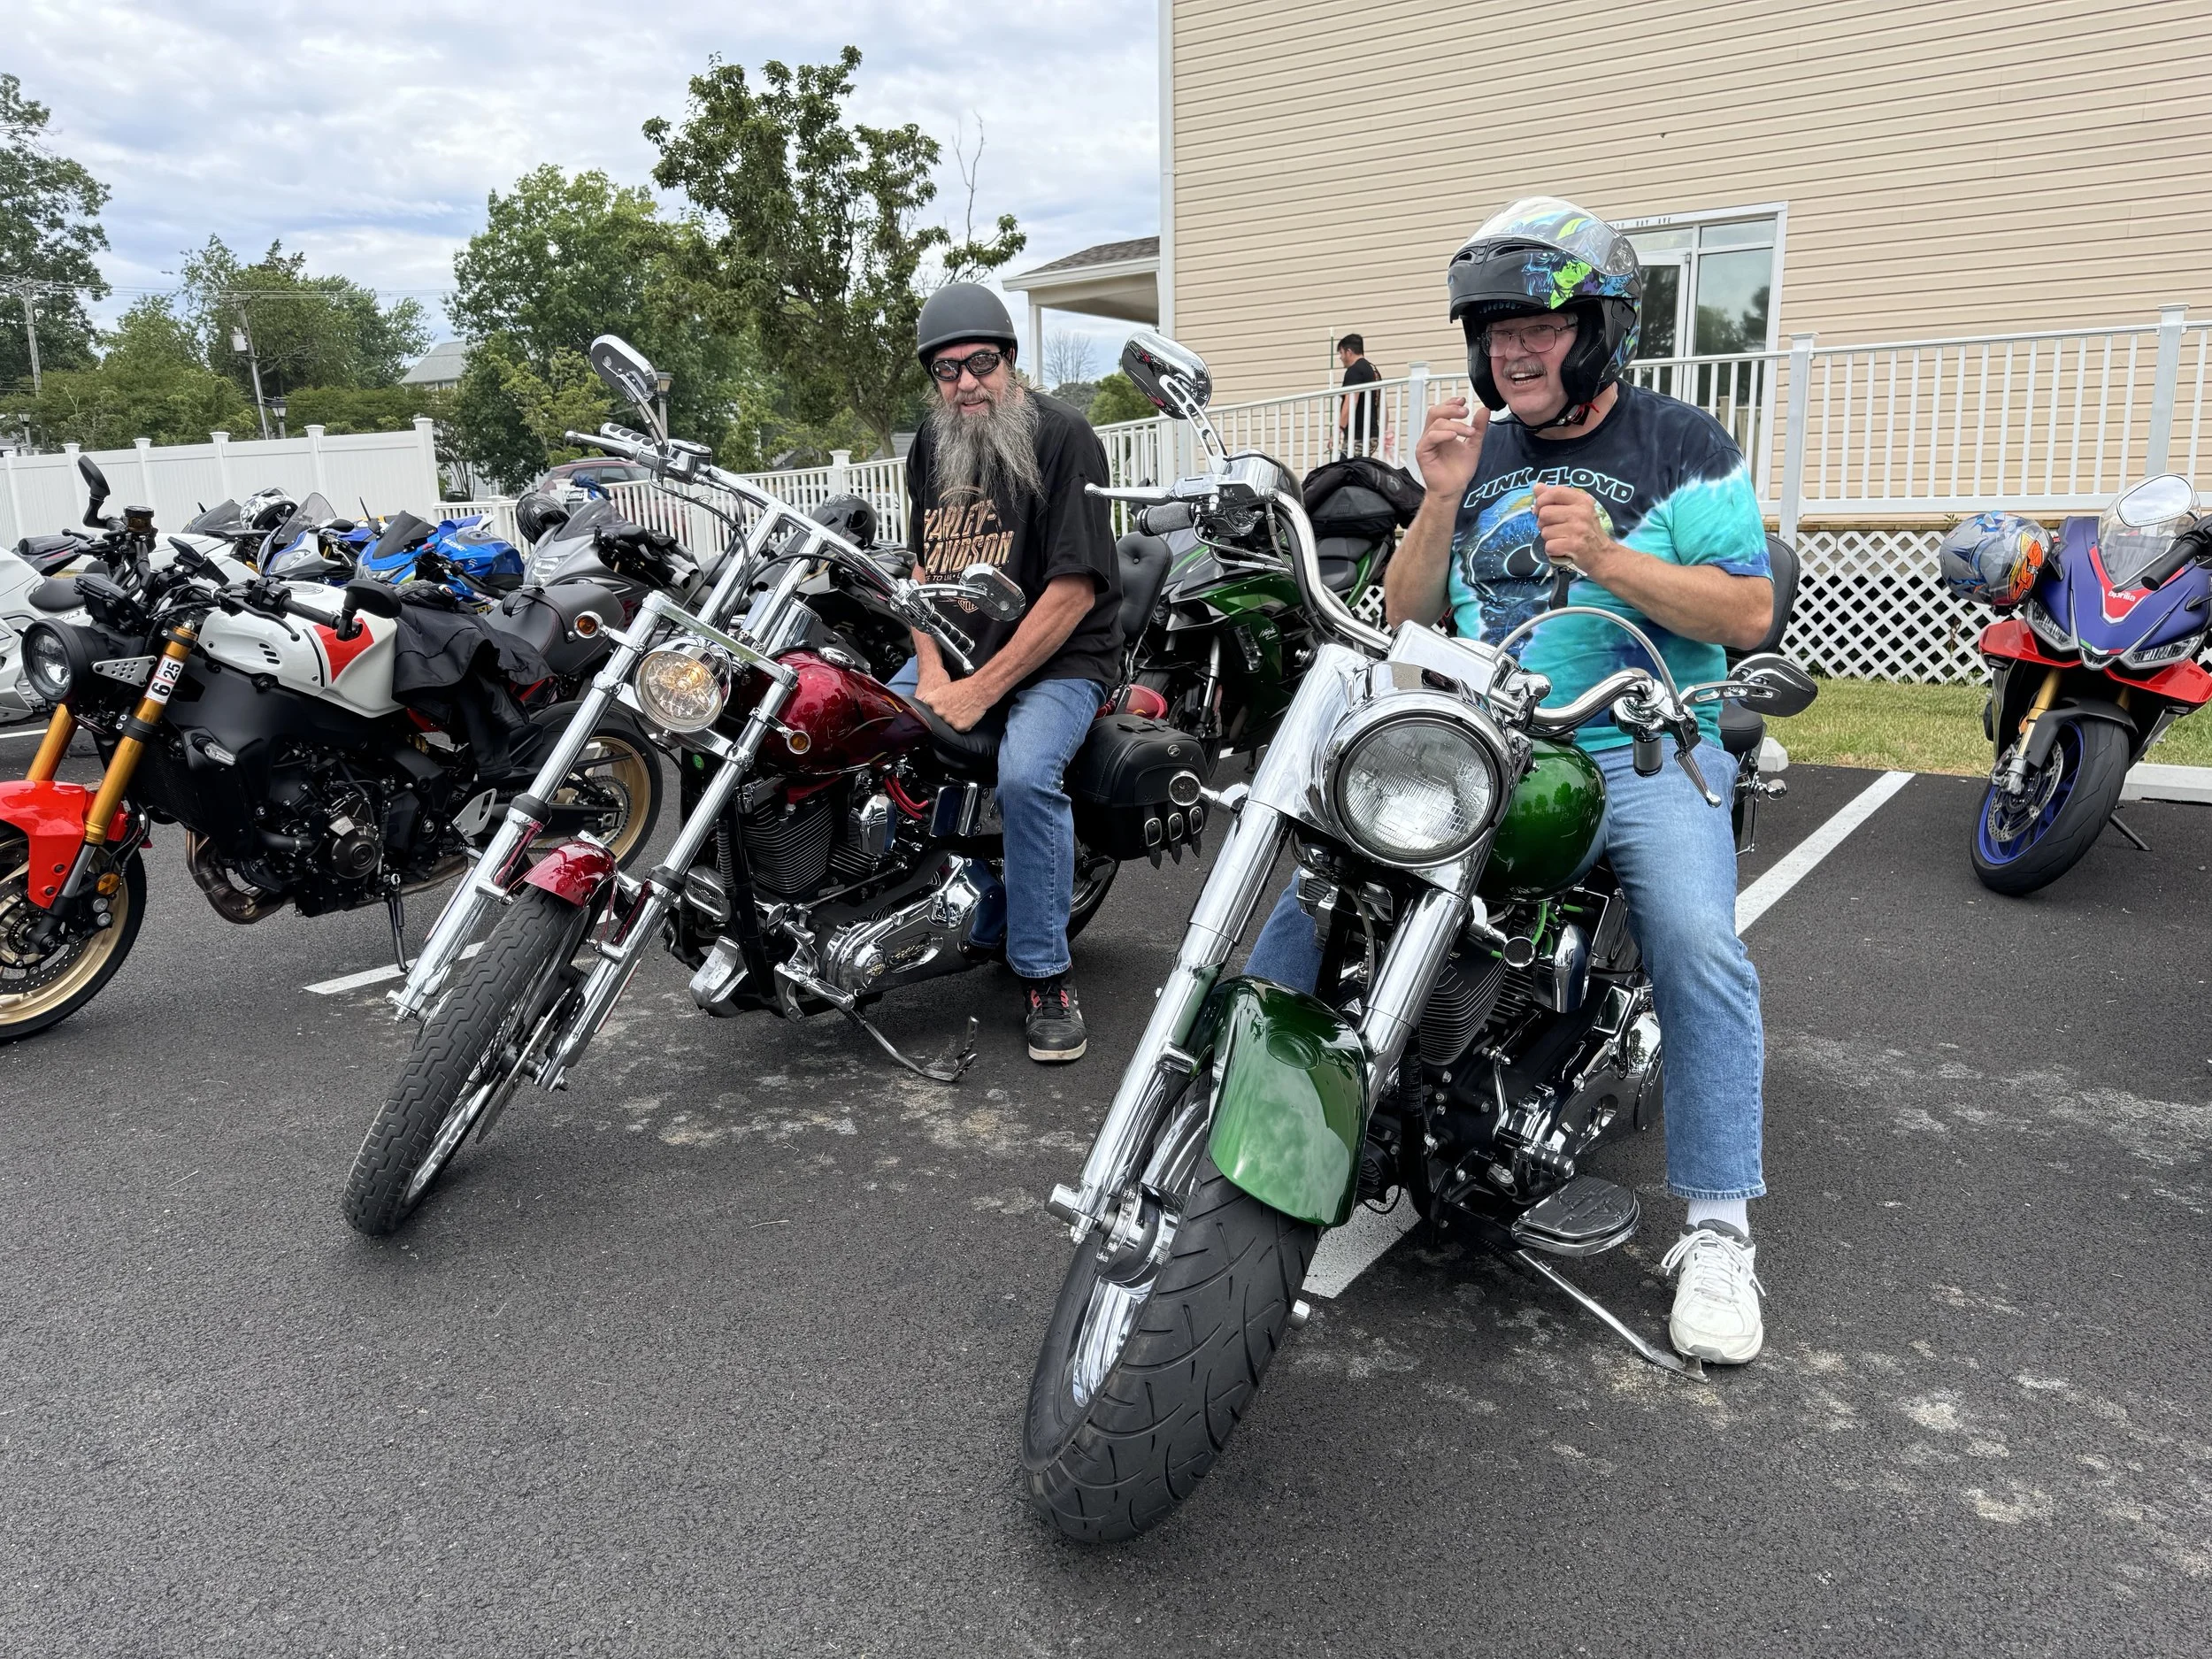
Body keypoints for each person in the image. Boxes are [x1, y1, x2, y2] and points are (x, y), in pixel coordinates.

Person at [1246, 197, 1778, 1364]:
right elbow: (1406, 613)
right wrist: (1438, 494)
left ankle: (1721, 1227)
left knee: (1696, 939)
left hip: (1637, 739)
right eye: (1492, 330)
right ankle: (1228, 1119)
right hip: (1483, 736)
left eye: (1534, 324)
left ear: (1598, 328)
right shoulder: (1478, 451)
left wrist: (1607, 558)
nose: (1509, 349)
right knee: (1321, 882)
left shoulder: (1685, 445)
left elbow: (1748, 609)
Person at [895, 283, 1122, 1064]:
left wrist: (977, 691)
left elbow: (1073, 592)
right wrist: (930, 671)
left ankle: (1045, 973)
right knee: (853, 727)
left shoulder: (1065, 438)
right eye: (946, 370)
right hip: (956, 650)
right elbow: (922, 570)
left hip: (1061, 659)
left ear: (1011, 362)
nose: (964, 383)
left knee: (1026, 775)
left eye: (980, 363)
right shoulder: (931, 445)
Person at [1336, 334, 1382, 456]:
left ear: (1348, 351)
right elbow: (1380, 402)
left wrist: (1339, 429)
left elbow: (1351, 401)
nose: (1340, 357)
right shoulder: (1373, 370)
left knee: (1345, 471)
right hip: (1372, 433)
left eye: (1341, 353)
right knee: (1358, 471)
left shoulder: (1354, 370)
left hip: (1358, 435)